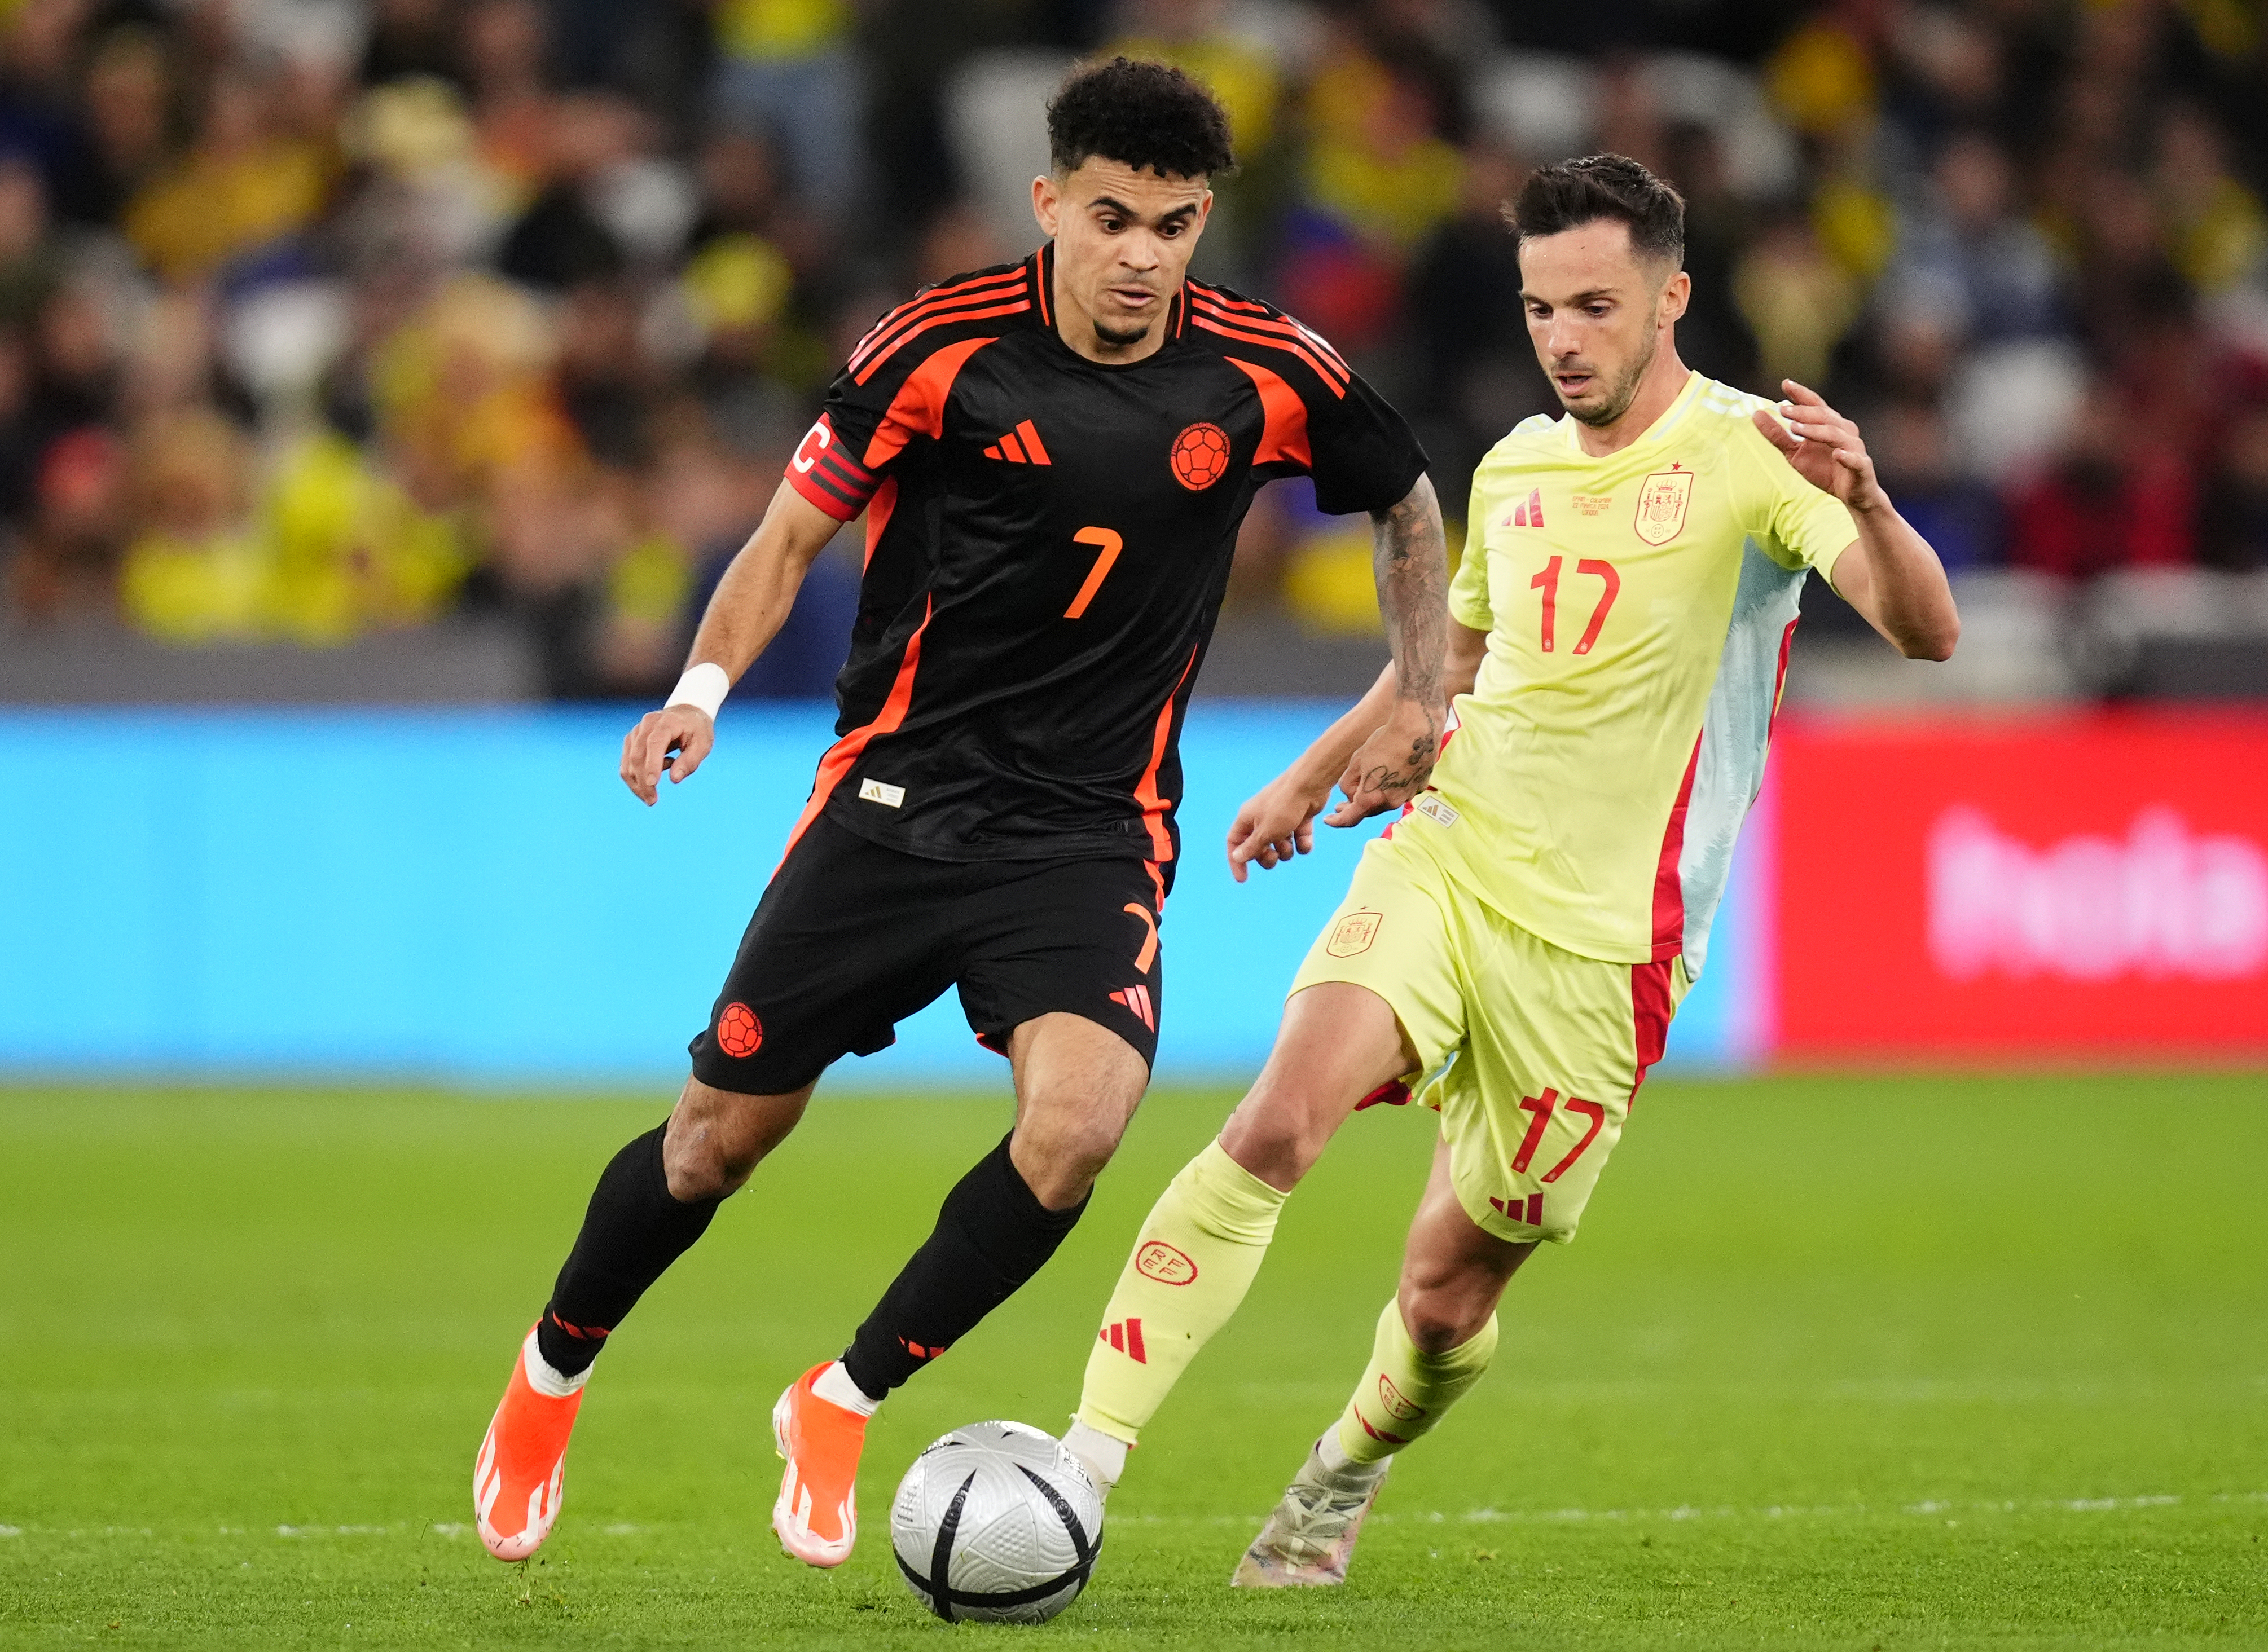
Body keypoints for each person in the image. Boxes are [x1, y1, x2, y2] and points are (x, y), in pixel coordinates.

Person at [471, 56, 1449, 1571]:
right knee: (714, 1143)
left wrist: (1417, 685)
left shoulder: (1269, 371)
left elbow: (1404, 497)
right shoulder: (937, 345)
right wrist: (699, 692)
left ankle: (842, 1395)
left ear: (1203, 225)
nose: (1140, 255)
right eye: (1111, 217)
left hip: (1088, 826)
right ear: (1049, 202)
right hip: (892, 800)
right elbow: (793, 532)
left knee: (1077, 1130)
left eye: (1174, 225)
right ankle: (547, 1378)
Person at [1057, 153, 1961, 1586]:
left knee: (1442, 1293)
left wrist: (1875, 499)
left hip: (1608, 950)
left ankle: (1340, 1471)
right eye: (1543, 309)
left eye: (1596, 306)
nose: (1564, 338)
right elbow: (1452, 661)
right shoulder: (1519, 461)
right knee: (1280, 1121)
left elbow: (1927, 634)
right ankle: (1078, 1472)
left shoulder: (1754, 459)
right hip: (1455, 855)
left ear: (1673, 298)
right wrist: (1310, 770)